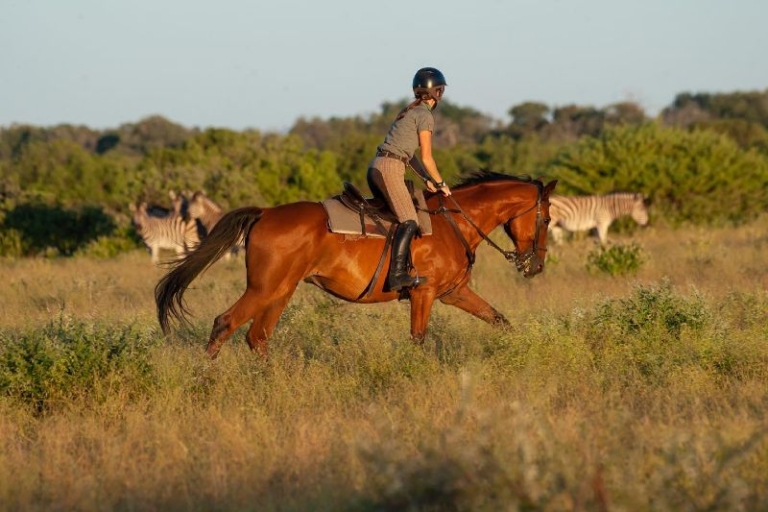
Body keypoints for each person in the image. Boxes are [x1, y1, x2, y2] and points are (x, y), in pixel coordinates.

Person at [367, 66, 452, 292]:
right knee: (410, 220)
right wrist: (442, 184)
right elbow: (427, 157)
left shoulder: (409, 111)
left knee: (398, 217)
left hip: (378, 167)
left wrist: (426, 179)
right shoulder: (425, 115)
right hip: (389, 169)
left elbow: (410, 155)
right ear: (438, 92)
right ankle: (397, 276)